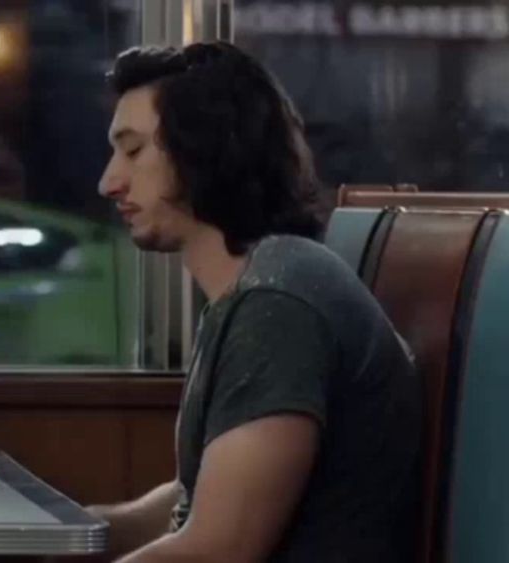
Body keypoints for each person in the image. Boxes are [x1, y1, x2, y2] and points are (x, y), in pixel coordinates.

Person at [93, 42, 421, 562]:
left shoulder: (279, 302)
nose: (109, 182)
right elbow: (196, 503)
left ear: (202, 149)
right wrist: (77, 532)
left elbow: (220, 550)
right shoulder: (258, 287)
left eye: (133, 151)